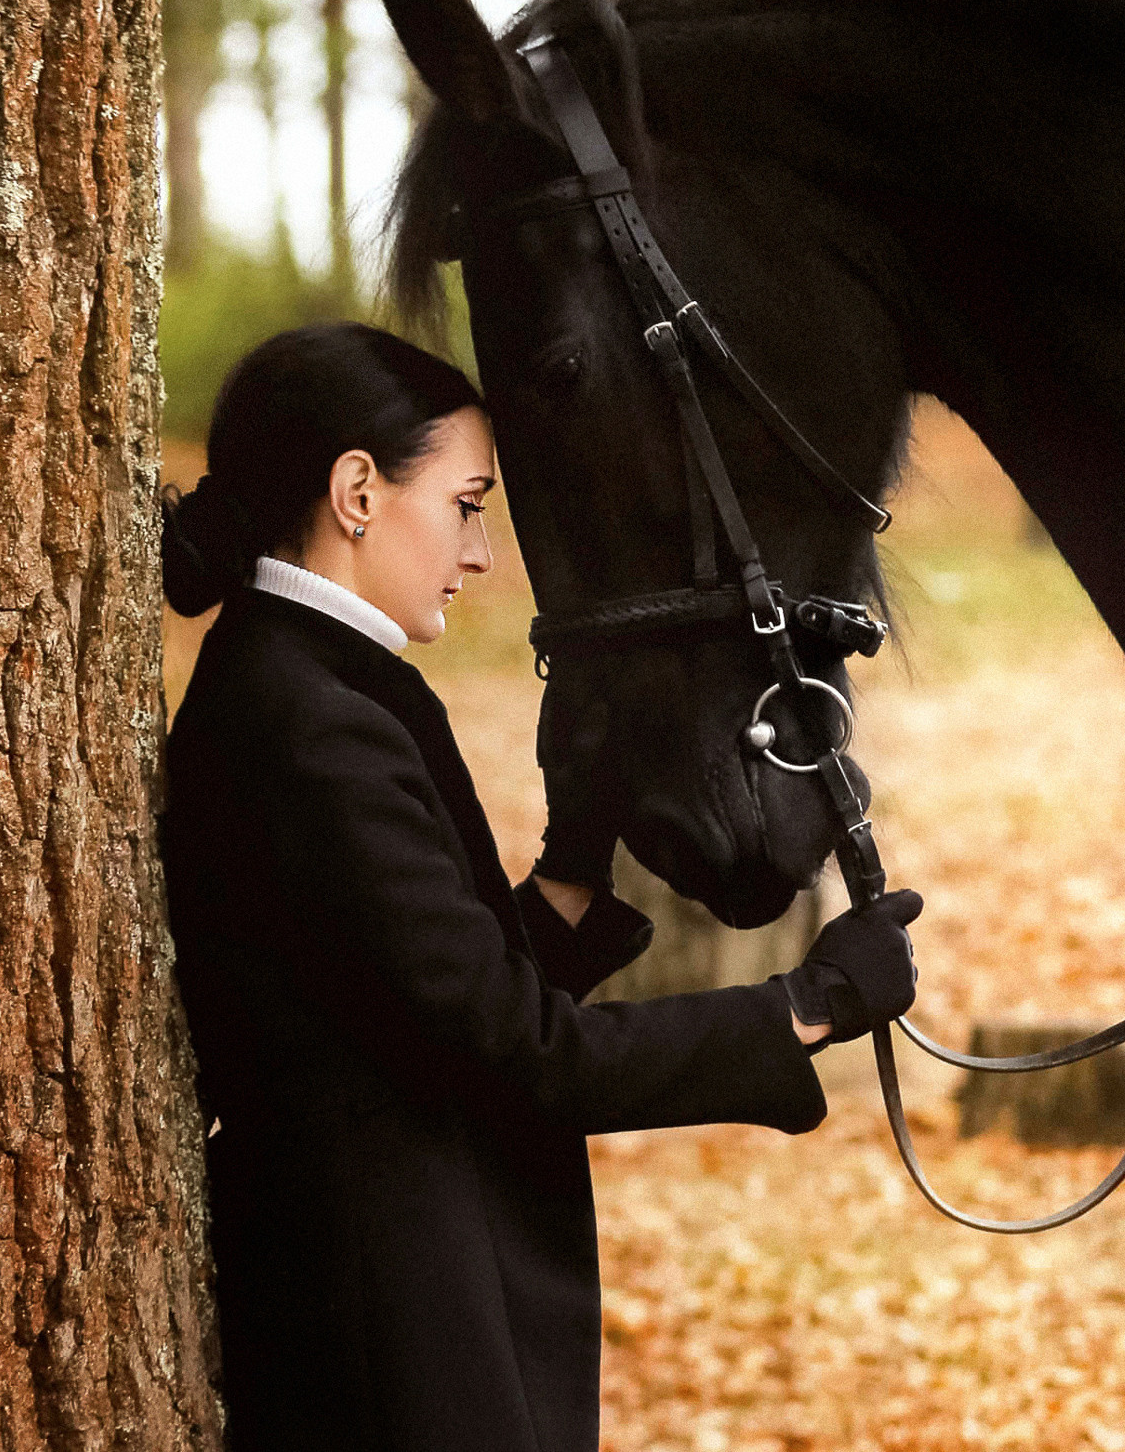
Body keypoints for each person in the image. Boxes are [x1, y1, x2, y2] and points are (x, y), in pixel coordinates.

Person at [158, 321, 922, 1451]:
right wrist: (809, 1006)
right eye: (468, 503)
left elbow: (409, 1004)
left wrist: (574, 860)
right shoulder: (308, 718)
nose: (478, 553)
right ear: (358, 490)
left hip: (398, 1292)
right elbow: (525, 1057)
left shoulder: (308, 681)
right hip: (387, 1329)